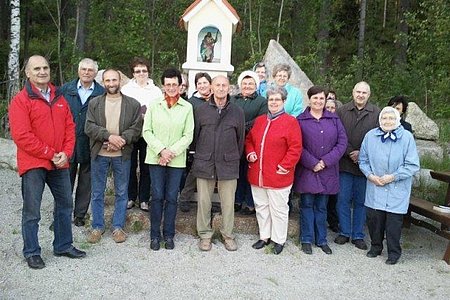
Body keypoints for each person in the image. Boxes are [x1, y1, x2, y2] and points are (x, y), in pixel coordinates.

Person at [9, 55, 86, 269]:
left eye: (45, 67)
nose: (42, 72)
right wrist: (50, 153)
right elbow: (22, 136)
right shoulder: (21, 100)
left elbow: (70, 127)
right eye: (37, 69)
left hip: (59, 161)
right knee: (32, 210)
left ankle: (63, 245)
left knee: (65, 205)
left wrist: (66, 153)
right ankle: (32, 251)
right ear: (27, 73)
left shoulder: (59, 97)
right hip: (34, 163)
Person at [85, 69, 142, 244]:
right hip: (100, 153)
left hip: (122, 155)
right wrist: (109, 137)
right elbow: (89, 126)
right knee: (97, 192)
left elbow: (136, 128)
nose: (111, 83)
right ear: (103, 82)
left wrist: (121, 140)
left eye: (114, 80)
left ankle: (118, 227)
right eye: (108, 80)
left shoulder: (132, 104)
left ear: (120, 81)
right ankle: (97, 226)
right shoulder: (94, 103)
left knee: (122, 192)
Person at [246, 85, 302, 255]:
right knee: (261, 206)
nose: (274, 102)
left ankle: (279, 239)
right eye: (271, 99)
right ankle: (264, 236)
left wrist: (285, 166)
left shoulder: (291, 122)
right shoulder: (260, 120)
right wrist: (250, 153)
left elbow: (295, 148)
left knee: (278, 209)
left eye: (278, 99)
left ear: (284, 101)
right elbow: (249, 140)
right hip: (258, 173)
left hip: (278, 175)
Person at [359, 107, 420, 264]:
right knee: (374, 220)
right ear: (380, 120)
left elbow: (412, 165)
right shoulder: (370, 136)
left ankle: (394, 252)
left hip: (396, 188)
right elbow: (363, 160)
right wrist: (370, 175)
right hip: (375, 185)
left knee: (393, 223)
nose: (387, 121)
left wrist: (393, 177)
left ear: (398, 119)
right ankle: (376, 247)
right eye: (384, 118)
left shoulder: (406, 138)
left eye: (391, 118)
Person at [191, 75, 245, 252]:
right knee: (204, 202)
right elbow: (196, 137)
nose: (221, 88)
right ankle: (205, 235)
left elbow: (240, 140)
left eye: (224, 85)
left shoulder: (237, 111)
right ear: (211, 88)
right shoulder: (201, 110)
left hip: (228, 163)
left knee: (228, 203)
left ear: (229, 88)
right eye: (218, 85)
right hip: (205, 161)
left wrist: (231, 155)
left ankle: (228, 235)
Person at [143, 68, 194, 251]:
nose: (171, 88)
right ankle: (154, 235)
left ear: (180, 86)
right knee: (157, 196)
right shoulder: (154, 104)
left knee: (172, 197)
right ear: (163, 85)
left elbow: (188, 135)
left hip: (176, 160)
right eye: (168, 84)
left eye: (175, 84)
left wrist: (170, 152)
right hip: (156, 158)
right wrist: (161, 151)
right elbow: (146, 131)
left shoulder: (187, 108)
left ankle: (169, 234)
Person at [294, 86, 347, 255]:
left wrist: (325, 161)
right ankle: (307, 239)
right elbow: (297, 145)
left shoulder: (334, 119)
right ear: (309, 99)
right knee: (307, 204)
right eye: (315, 98)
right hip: (308, 170)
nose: (318, 101)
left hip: (327, 169)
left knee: (322, 206)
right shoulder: (300, 120)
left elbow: (342, 143)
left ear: (326, 100)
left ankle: (322, 239)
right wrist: (312, 163)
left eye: (321, 99)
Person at [335, 81, 381, 250]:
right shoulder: (342, 111)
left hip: (365, 166)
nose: (361, 95)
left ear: (369, 95)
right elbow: (337, 135)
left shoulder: (376, 113)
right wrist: (350, 152)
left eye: (364, 93)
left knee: (362, 202)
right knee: (343, 200)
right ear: (353, 92)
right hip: (345, 163)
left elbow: (378, 137)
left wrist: (362, 153)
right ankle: (344, 232)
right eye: (358, 92)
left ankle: (358, 235)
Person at [60, 58, 104, 227]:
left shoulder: (101, 93)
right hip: (67, 142)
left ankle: (79, 215)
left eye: (90, 70)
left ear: (95, 73)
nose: (86, 72)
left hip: (91, 142)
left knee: (86, 182)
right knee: (64, 182)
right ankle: (61, 215)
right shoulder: (66, 90)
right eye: (83, 69)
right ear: (78, 71)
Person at [121, 57, 163, 212]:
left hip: (149, 134)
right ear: (133, 73)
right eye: (137, 71)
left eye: (144, 70)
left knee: (146, 167)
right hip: (131, 133)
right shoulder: (126, 89)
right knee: (130, 166)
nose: (141, 73)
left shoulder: (156, 90)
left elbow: (159, 111)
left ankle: (144, 198)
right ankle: (131, 197)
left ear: (148, 72)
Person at [231, 71, 267, 215]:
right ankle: (237, 200)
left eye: (250, 83)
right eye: (244, 83)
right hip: (234, 141)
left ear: (256, 85)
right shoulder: (233, 99)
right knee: (237, 172)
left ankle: (250, 203)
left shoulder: (262, 101)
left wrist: (242, 127)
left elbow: (261, 119)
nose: (247, 86)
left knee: (249, 172)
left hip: (252, 140)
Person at [178, 72, 213, 213]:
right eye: (199, 83)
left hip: (215, 141)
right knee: (194, 172)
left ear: (210, 84)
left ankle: (209, 204)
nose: (202, 86)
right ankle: (184, 199)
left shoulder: (217, 98)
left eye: (205, 82)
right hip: (198, 141)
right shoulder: (192, 102)